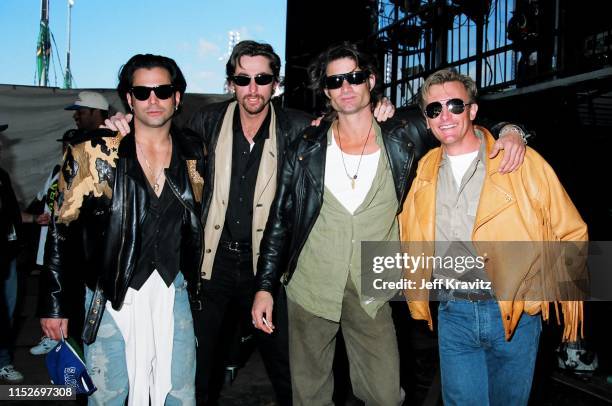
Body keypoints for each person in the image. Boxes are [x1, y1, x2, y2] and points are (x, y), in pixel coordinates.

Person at [105, 40, 396, 405]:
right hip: (211, 266)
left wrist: (383, 108)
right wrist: (124, 122)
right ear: (230, 84)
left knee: (290, 373)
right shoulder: (206, 121)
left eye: (263, 79)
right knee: (198, 371)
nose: (253, 89)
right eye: (243, 80)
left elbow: (350, 122)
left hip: (269, 269)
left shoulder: (300, 127)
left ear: (276, 83)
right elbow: (158, 129)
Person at [251, 42, 527, 405]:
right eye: (335, 81)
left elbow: (460, 123)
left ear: (371, 81)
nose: (346, 87)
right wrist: (265, 285)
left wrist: (511, 131)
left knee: (384, 395)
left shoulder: (403, 132)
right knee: (309, 395)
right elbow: (281, 218)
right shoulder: (307, 144)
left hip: (374, 284)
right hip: (311, 284)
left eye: (354, 77)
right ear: (326, 91)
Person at [398, 68, 587, 405]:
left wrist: (547, 293)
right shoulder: (423, 170)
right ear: (426, 120)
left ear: (472, 110)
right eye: (434, 109)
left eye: (456, 105)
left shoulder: (518, 160)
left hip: (514, 313)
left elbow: (571, 230)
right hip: (453, 311)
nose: (445, 115)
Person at [38, 54, 206, 405]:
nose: (153, 100)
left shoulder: (194, 152)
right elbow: (60, 231)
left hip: (173, 291)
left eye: (163, 90)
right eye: (142, 92)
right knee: (108, 396)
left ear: (178, 96)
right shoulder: (94, 152)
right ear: (128, 99)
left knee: (179, 395)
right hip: (110, 295)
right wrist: (54, 305)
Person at [30, 93, 108, 355]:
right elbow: (59, 219)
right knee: (75, 326)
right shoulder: (72, 156)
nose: (76, 116)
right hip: (75, 259)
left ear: (98, 112)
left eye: (82, 111)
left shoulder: (120, 147)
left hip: (103, 269)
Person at [0, 120, 25, 383]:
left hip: (6, 257)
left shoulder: (2, 176)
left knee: (6, 312)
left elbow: (12, 215)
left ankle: (3, 361)